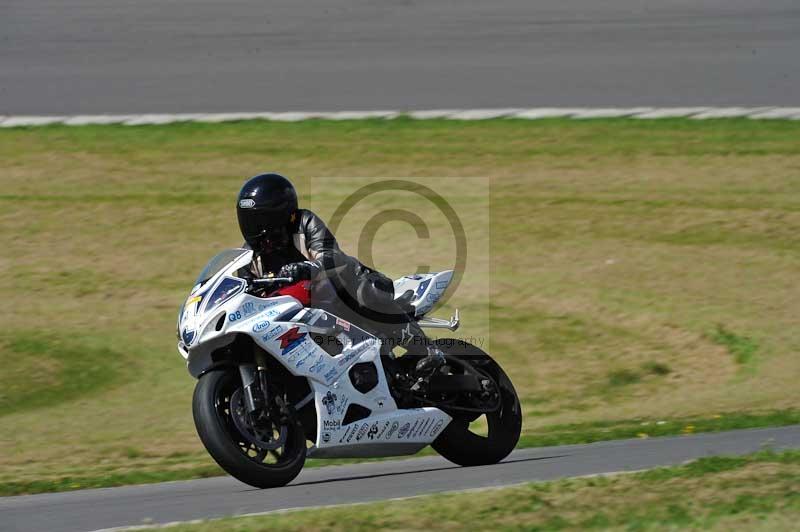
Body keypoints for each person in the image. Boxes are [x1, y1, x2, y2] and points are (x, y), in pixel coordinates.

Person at [236, 172, 445, 376]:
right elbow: (243, 291)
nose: (254, 227)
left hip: (340, 289)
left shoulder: (304, 223)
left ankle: (425, 349)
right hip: (296, 313)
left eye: (259, 220)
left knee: (367, 292)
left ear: (281, 214)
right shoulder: (249, 255)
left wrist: (306, 268)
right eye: (249, 220)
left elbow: (331, 255)